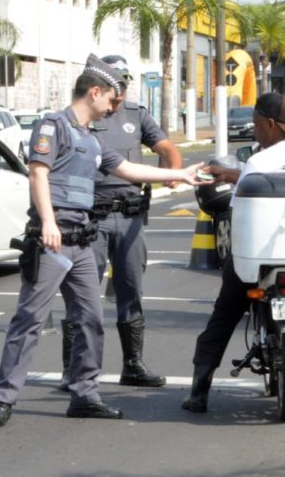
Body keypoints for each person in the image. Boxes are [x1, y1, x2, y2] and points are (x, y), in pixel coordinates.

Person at [0, 54, 207, 428]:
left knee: (90, 319)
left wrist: (180, 173)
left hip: (82, 243)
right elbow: (38, 175)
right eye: (110, 99)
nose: (113, 107)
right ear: (94, 91)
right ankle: (3, 399)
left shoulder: (92, 139)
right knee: (29, 321)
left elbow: (128, 170)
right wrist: (49, 223)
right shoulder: (52, 126)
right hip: (52, 241)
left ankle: (85, 395)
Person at [181, 92, 285, 413]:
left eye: (255, 125)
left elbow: (244, 202)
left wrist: (231, 178)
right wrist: (234, 174)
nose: (254, 131)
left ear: (269, 124)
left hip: (262, 260)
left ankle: (199, 391)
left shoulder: (257, 161)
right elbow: (284, 175)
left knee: (224, 316)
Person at [54, 54, 181, 391]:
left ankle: (133, 365)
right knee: (82, 296)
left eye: (124, 82)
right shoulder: (79, 117)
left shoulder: (136, 115)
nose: (119, 90)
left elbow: (166, 146)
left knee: (131, 290)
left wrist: (172, 169)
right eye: (115, 82)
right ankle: (73, 369)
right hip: (90, 218)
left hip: (129, 216)